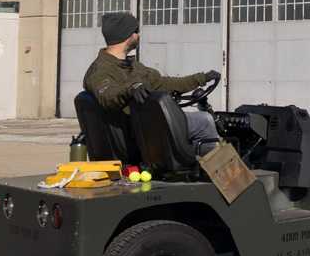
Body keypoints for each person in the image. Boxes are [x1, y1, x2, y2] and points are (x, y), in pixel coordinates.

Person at [84, 11, 223, 154]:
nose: (139, 35)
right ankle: (211, 172)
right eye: (136, 31)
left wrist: (201, 78)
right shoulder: (100, 71)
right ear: (127, 35)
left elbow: (163, 83)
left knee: (187, 118)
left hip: (146, 126)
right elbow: (108, 95)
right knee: (204, 121)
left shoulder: (133, 67)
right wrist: (131, 88)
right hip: (139, 133)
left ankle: (192, 161)